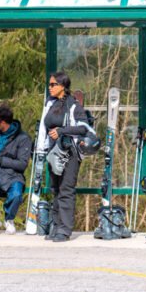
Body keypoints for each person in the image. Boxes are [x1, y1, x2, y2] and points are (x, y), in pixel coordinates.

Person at [37, 71, 90, 242]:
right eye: (49, 84)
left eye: (53, 84)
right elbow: (43, 128)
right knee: (56, 189)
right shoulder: (49, 103)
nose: (50, 87)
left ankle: (65, 230)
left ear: (63, 86)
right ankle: (56, 225)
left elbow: (84, 128)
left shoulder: (73, 105)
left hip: (70, 152)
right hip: (53, 152)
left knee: (66, 189)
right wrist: (41, 149)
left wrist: (62, 131)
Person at [0, 104, 32, 235]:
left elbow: (22, 164)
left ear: (2, 122)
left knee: (16, 194)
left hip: (12, 176)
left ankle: (9, 219)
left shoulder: (23, 138)